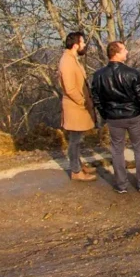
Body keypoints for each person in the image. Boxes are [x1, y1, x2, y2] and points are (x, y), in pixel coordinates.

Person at [91, 41, 140, 194]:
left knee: (117, 150)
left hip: (113, 118)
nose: (127, 51)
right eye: (124, 49)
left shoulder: (99, 75)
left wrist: (105, 114)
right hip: (134, 116)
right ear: (116, 52)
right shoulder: (131, 73)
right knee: (139, 149)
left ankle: (121, 184)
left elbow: (96, 98)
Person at [58, 31, 97, 182]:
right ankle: (76, 171)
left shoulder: (71, 58)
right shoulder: (67, 61)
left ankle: (79, 166)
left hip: (77, 107)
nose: (85, 45)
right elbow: (70, 88)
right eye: (83, 42)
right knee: (74, 141)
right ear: (75, 45)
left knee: (78, 139)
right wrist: (82, 102)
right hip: (75, 107)